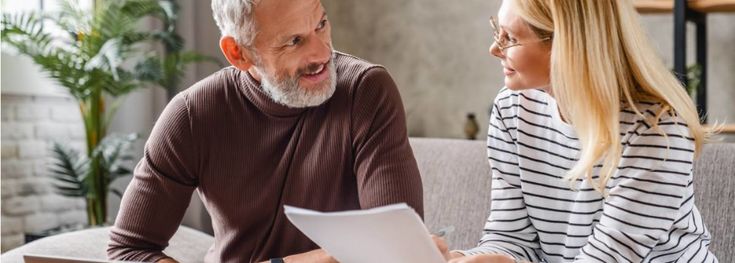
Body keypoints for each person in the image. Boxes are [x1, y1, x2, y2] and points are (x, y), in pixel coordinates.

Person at [107, 0, 424, 262]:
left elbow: (398, 252)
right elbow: (128, 250)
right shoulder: (192, 114)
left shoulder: (365, 91)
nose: (321, 54)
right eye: (294, 41)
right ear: (238, 53)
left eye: (321, 25)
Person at [437, 0, 718, 262]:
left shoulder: (656, 131)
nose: (495, 49)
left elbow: (609, 257)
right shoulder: (512, 109)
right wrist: (463, 258)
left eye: (510, 37)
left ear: (568, 46)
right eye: (497, 30)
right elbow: (511, 237)